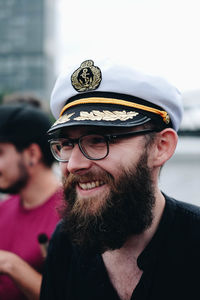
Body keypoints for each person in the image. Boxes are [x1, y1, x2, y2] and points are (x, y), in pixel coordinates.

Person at [40, 59, 200, 300]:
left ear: (161, 147)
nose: (73, 164)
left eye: (98, 140)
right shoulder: (65, 243)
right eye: (66, 144)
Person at [0, 104, 62, 300]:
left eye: (0, 153)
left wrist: (10, 264)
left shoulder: (74, 213)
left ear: (32, 154)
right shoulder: (5, 208)